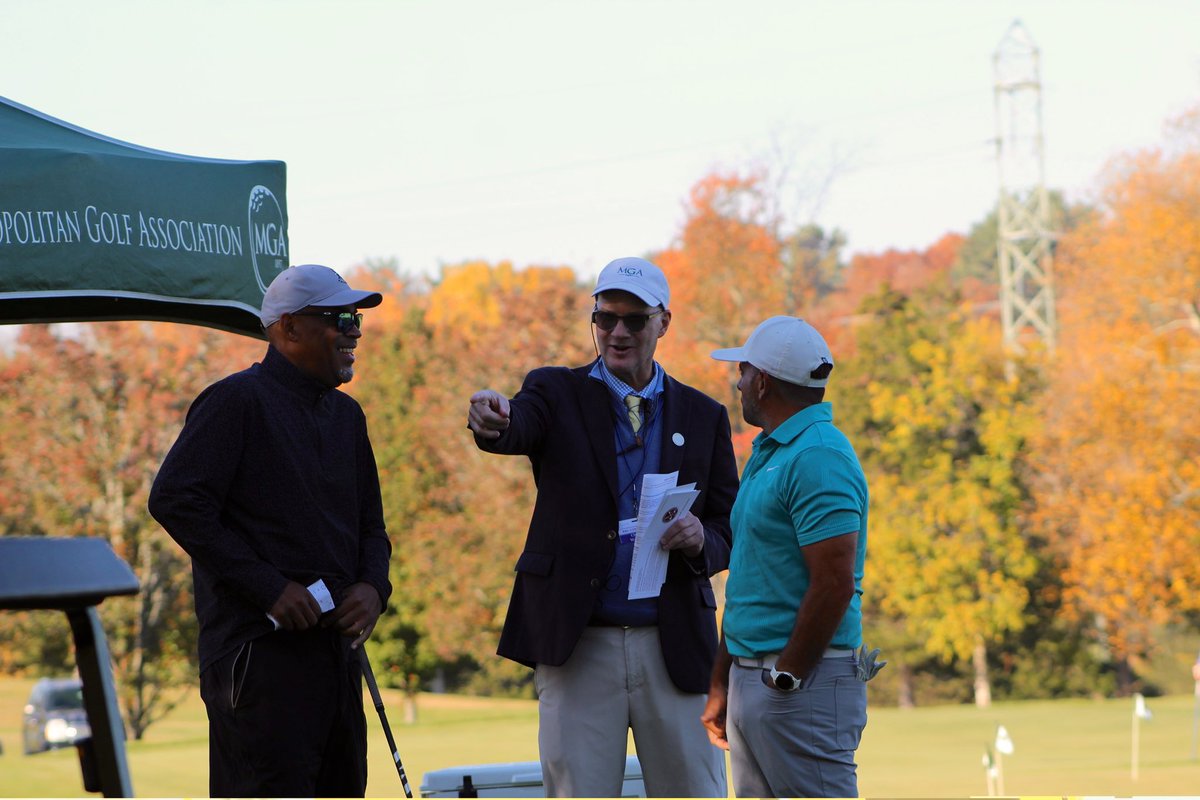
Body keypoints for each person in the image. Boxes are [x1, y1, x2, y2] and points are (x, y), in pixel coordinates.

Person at [466, 257, 737, 797]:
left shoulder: (703, 415)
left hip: (675, 642)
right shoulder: (554, 391)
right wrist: (494, 419)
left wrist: (699, 539)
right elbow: (517, 423)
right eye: (604, 317)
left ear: (663, 323)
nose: (617, 332)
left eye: (634, 320)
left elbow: (727, 525)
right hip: (578, 642)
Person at [148, 264, 391, 798]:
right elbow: (174, 500)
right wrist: (270, 588)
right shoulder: (235, 401)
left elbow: (371, 527)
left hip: (335, 658)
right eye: (339, 317)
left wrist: (374, 589)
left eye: (356, 319)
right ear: (287, 328)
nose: (353, 330)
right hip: (258, 659)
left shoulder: (347, 417)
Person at [702, 315, 873, 798]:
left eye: (743, 372)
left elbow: (835, 584)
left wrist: (786, 677)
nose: (738, 383)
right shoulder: (772, 452)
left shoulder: (818, 456)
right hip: (760, 679)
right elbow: (751, 584)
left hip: (801, 685)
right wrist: (724, 680)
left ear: (763, 380)